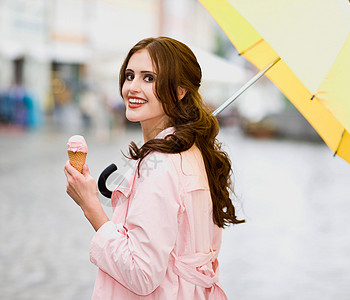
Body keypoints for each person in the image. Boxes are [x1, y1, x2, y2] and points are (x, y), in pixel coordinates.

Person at [64, 36, 244, 299]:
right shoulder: (193, 151)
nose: (132, 88)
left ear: (180, 90)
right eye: (129, 75)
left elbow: (142, 274)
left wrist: (90, 205)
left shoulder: (162, 164)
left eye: (149, 78)